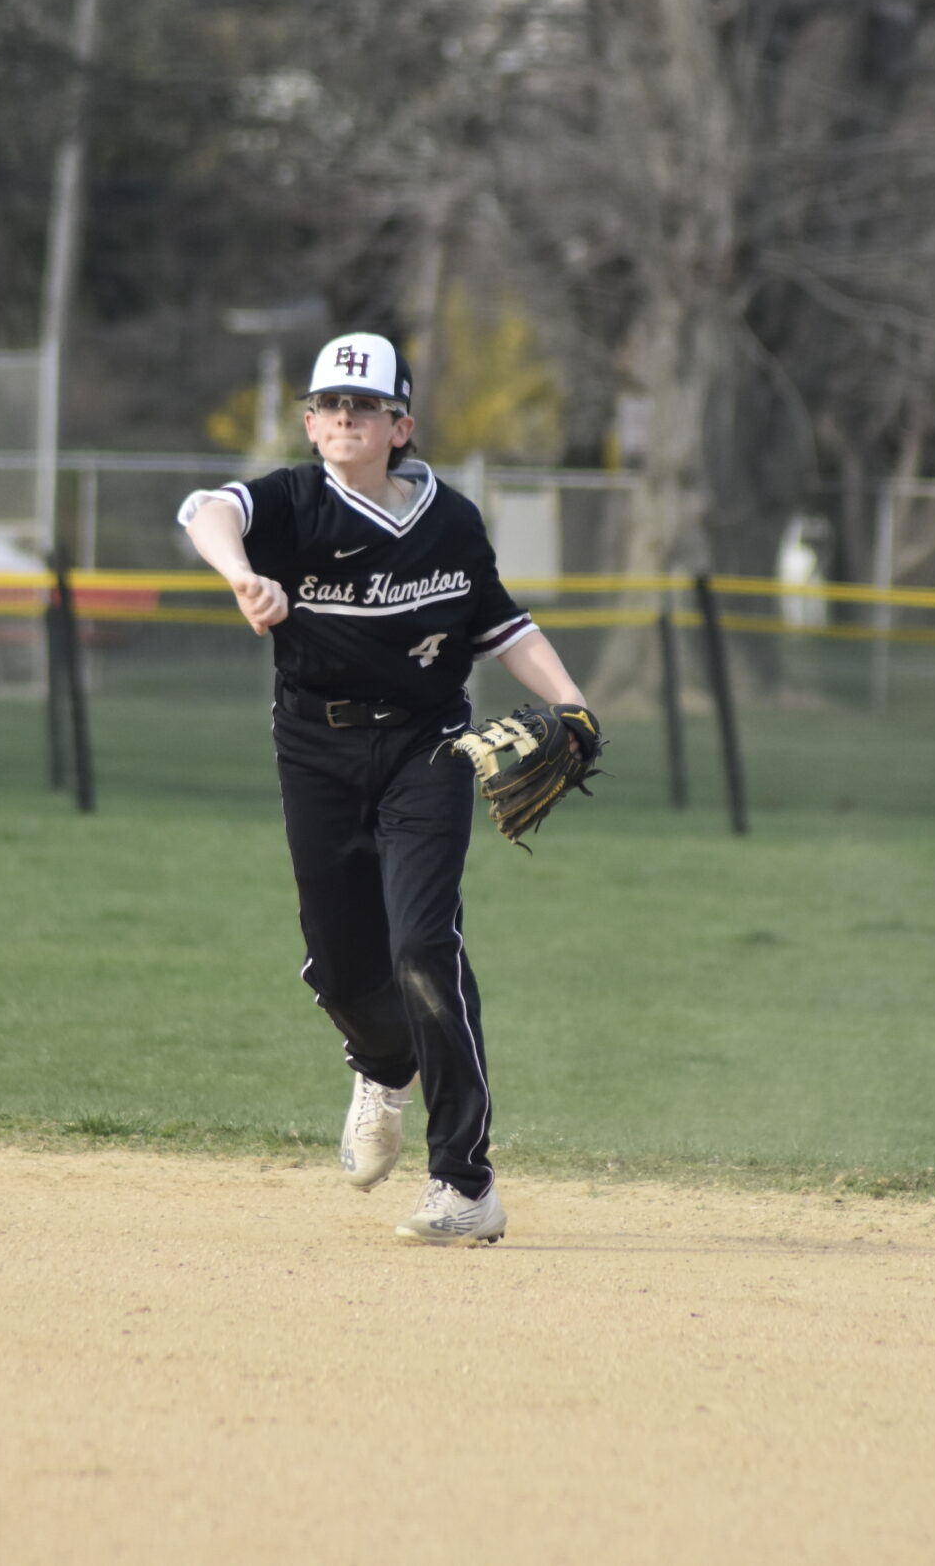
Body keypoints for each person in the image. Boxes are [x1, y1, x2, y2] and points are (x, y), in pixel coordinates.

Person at [177, 331, 594, 1245]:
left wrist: (569, 704)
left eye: (363, 407)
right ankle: (380, 1063)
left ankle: (464, 1181)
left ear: (401, 424)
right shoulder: (292, 503)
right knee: (337, 963)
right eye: (328, 406)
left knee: (423, 946)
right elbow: (205, 508)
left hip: (426, 748)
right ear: (311, 424)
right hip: (314, 751)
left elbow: (500, 627)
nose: (342, 419)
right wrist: (241, 572)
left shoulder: (450, 521)